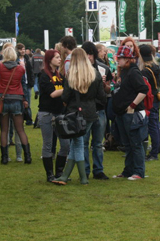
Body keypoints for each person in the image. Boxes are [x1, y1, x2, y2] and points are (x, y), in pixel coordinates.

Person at [52, 48, 106, 185]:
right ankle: (66, 176)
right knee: (77, 143)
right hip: (90, 113)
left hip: (74, 113)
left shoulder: (71, 75)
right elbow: (102, 97)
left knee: (78, 144)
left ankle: (83, 177)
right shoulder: (95, 74)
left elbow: (65, 96)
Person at [111, 45, 149, 180]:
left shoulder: (133, 72)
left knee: (135, 143)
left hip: (131, 113)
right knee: (127, 144)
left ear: (128, 59)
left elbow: (143, 90)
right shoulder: (125, 71)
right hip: (122, 113)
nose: (118, 60)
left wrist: (132, 105)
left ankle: (139, 172)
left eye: (120, 58)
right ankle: (128, 170)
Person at [0, 46, 32, 165]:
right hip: (17, 98)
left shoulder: (0, 67)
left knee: (4, 130)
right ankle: (27, 156)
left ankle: (4, 157)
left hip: (3, 99)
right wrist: (25, 99)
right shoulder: (20, 69)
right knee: (20, 130)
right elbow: (23, 85)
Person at [37, 49, 70, 182]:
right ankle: (50, 174)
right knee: (48, 144)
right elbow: (52, 93)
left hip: (60, 113)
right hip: (46, 113)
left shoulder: (60, 75)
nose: (60, 59)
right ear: (50, 59)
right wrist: (68, 88)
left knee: (66, 144)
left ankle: (59, 172)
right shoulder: (44, 75)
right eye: (56, 57)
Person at [82, 42, 113, 179]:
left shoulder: (103, 68)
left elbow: (108, 89)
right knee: (83, 142)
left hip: (99, 108)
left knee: (98, 143)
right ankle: (85, 171)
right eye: (86, 54)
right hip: (85, 110)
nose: (88, 57)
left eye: (90, 54)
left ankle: (98, 170)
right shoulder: (79, 70)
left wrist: (104, 84)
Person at [140, 44, 160, 161]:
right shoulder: (155, 67)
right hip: (155, 98)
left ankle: (154, 153)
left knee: (152, 126)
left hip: (149, 100)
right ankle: (156, 149)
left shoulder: (145, 70)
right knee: (155, 125)